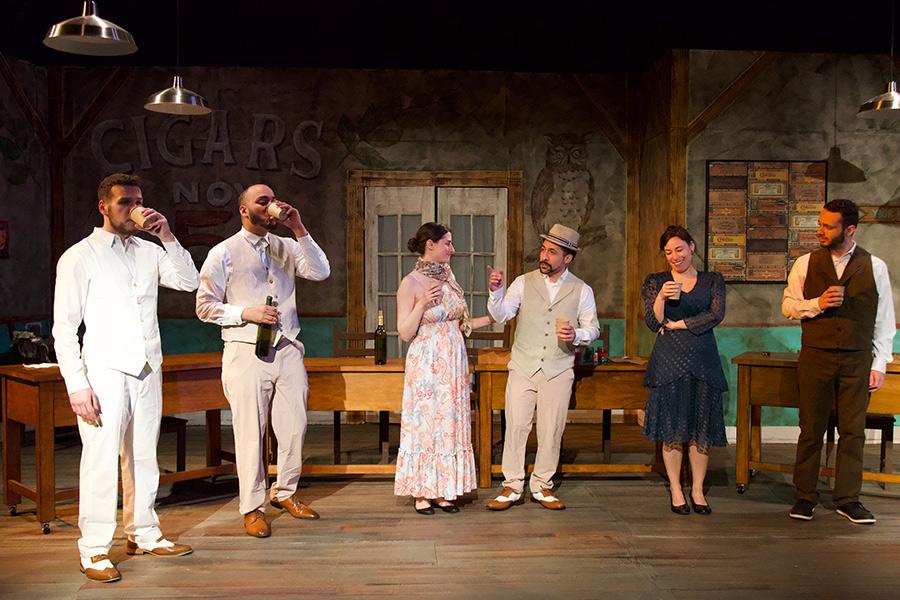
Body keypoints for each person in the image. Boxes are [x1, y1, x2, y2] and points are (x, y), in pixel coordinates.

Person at [52, 173, 198, 583]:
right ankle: (94, 548)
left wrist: (167, 235)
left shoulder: (149, 252)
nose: (133, 208)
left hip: (147, 368)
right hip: (103, 370)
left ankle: (144, 532)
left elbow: (188, 282)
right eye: (124, 202)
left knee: (144, 456)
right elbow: (64, 328)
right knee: (100, 460)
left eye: (137, 200)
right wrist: (77, 384)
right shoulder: (79, 256)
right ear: (104, 206)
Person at [196, 184, 330, 537]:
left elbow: (320, 272)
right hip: (245, 351)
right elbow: (204, 306)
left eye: (273, 199)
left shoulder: (286, 245)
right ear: (244, 210)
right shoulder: (223, 251)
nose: (271, 206)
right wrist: (246, 312)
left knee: (295, 425)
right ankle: (251, 507)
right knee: (250, 431)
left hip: (286, 347)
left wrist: (299, 228)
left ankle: (284, 492)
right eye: (263, 201)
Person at [782, 199, 895, 525]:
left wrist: (879, 364)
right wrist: (817, 303)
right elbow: (788, 306)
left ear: (849, 229)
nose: (820, 230)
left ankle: (848, 499)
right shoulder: (805, 263)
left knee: (852, 431)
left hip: (856, 360)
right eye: (820, 224)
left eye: (828, 226)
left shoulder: (874, 266)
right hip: (816, 355)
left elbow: (885, 320)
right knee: (811, 428)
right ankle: (805, 497)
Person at [485, 223, 599, 511]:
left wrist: (578, 335)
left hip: (559, 368)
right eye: (544, 249)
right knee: (517, 425)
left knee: (551, 429)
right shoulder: (523, 282)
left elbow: (593, 328)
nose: (544, 256)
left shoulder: (582, 290)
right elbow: (502, 316)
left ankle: (542, 485)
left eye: (552, 252)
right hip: (523, 365)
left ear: (568, 258)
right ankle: (512, 485)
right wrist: (495, 293)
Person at [394, 223, 493, 514]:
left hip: (453, 361)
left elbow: (462, 324)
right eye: (447, 243)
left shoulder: (449, 278)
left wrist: (493, 315)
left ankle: (443, 489)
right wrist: (422, 303)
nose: (452, 249)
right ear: (430, 245)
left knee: (448, 422)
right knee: (426, 424)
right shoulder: (410, 283)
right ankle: (422, 492)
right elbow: (404, 331)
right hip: (426, 361)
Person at [641, 226, 727, 516]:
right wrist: (662, 298)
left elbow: (716, 314)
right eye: (668, 252)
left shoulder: (712, 280)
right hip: (669, 360)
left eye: (679, 249)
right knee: (673, 428)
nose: (675, 257)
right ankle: (676, 489)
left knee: (700, 429)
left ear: (692, 246)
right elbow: (653, 323)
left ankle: (698, 489)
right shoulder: (656, 281)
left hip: (703, 358)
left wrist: (682, 325)